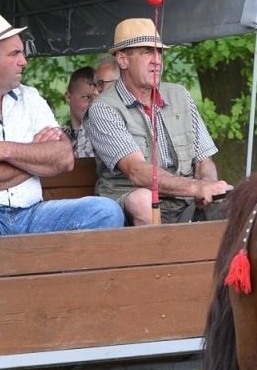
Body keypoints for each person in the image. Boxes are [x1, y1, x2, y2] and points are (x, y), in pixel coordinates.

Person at [0, 10, 123, 250]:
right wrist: (35, 160)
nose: (24, 61)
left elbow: (64, 158)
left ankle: (59, 285)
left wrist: (3, 150)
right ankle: (12, 285)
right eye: (15, 53)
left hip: (30, 215)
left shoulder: (30, 97)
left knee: (105, 211)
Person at [86, 18, 232, 226]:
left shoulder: (180, 94)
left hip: (185, 201)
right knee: (144, 200)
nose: (157, 60)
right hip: (130, 202)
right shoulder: (103, 108)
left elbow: (204, 160)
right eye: (147, 52)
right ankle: (159, 257)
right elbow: (136, 171)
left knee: (229, 195)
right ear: (123, 60)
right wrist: (196, 188)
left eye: (159, 52)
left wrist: (207, 183)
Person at [61, 66, 97, 159]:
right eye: (86, 97)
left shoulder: (107, 135)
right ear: (68, 98)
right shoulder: (57, 137)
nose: (94, 104)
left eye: (97, 98)